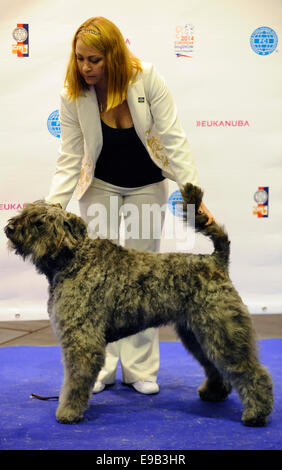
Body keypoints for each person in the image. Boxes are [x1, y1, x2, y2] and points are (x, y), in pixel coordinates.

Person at [45, 16, 215, 395]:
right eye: (80, 59)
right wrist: (53, 210)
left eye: (94, 60)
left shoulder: (148, 78)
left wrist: (193, 197)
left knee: (143, 279)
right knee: (95, 283)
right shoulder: (72, 92)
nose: (85, 68)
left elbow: (173, 138)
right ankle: (99, 369)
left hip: (145, 184)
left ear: (114, 56)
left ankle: (139, 369)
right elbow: (70, 157)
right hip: (99, 184)